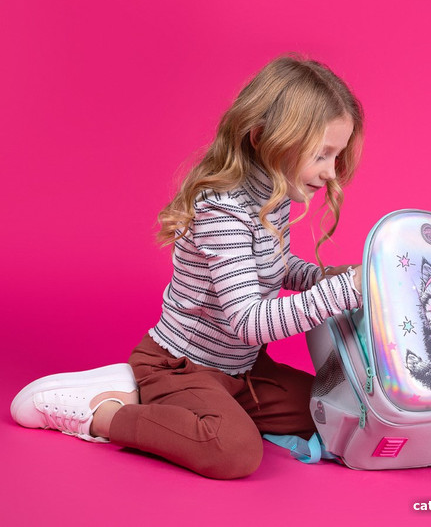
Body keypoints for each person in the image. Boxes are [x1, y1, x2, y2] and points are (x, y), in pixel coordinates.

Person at [11, 55, 364, 479]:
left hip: (243, 371)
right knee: (234, 451)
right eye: (322, 155)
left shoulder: (275, 194)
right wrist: (341, 292)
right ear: (263, 138)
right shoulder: (223, 209)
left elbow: (272, 265)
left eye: (336, 156)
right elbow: (249, 322)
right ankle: (103, 412)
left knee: (330, 410)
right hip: (182, 365)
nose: (331, 173)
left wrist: (322, 277)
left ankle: (181, 406)